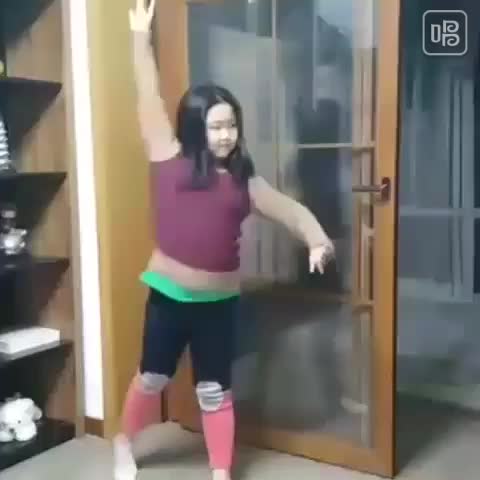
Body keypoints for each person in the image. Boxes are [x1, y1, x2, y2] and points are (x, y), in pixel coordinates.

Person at [114, 1, 335, 479]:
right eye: (216, 126)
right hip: (169, 297)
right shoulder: (167, 156)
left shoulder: (244, 180)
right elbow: (147, 93)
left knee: (215, 390)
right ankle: (123, 442)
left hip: (218, 303)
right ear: (196, 128)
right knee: (152, 378)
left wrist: (316, 240)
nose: (226, 135)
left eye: (231, 125)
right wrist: (139, 38)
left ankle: (220, 471)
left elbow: (291, 210)